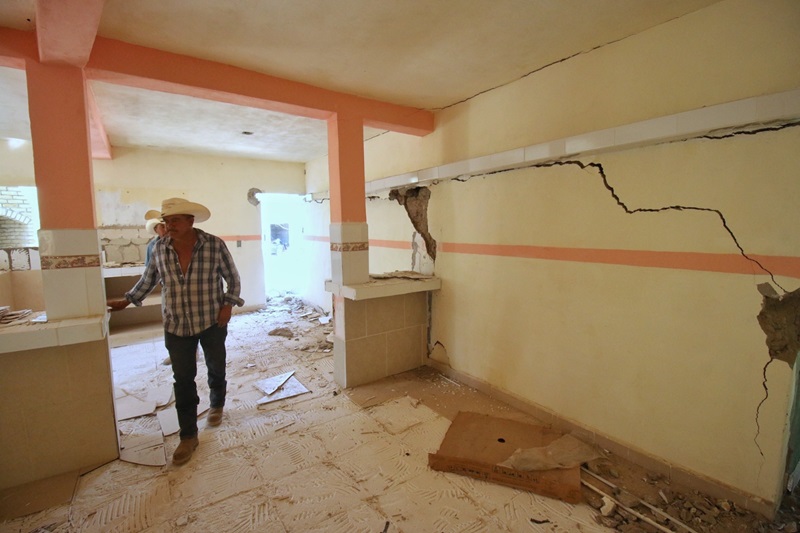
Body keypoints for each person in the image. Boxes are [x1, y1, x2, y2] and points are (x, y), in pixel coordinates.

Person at [107, 198, 244, 465]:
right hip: (176, 323)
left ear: (190, 221)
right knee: (182, 379)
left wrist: (228, 305)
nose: (169, 225)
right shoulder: (160, 247)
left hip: (211, 320)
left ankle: (217, 403)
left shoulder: (214, 245)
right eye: (167, 221)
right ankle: (188, 435)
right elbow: (149, 279)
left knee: (216, 365)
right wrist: (127, 300)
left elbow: (233, 278)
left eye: (175, 220)